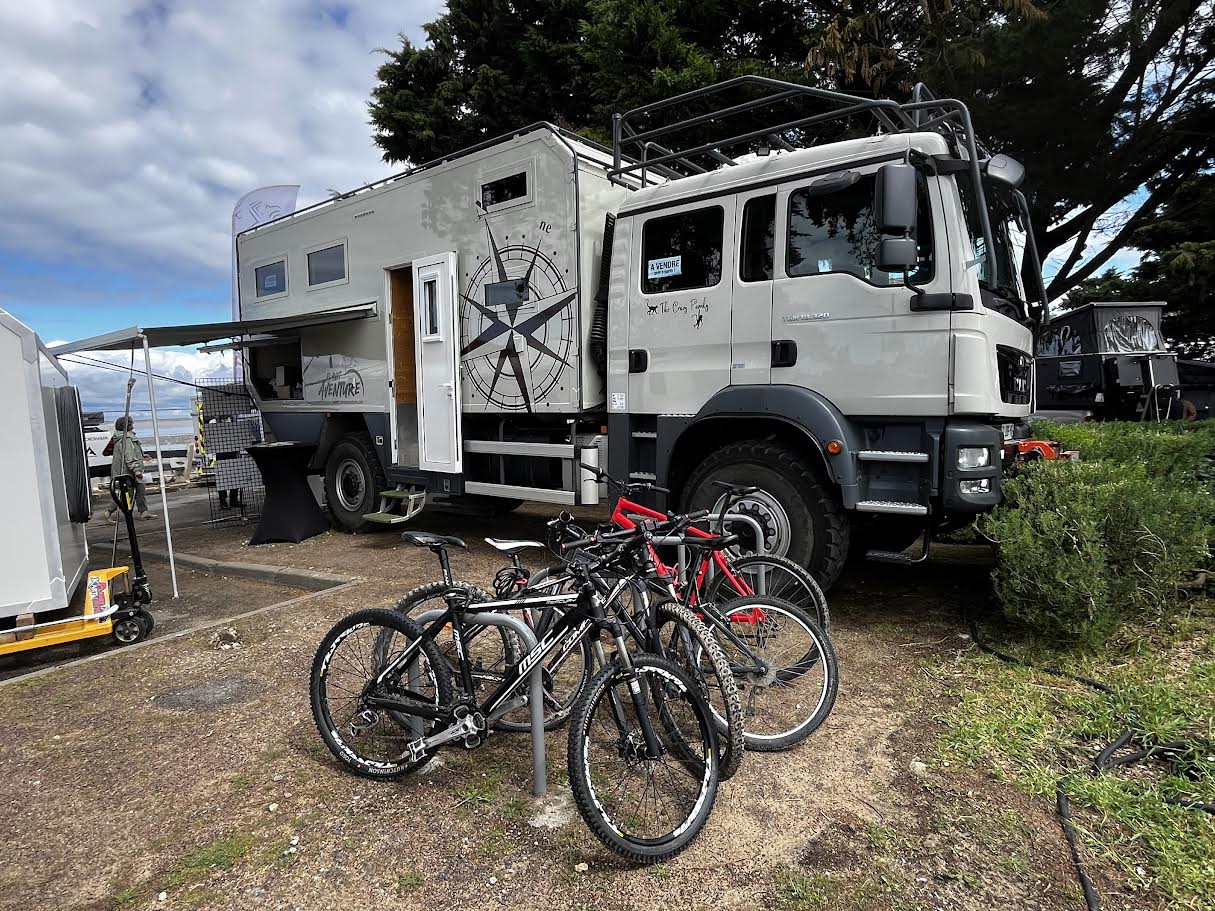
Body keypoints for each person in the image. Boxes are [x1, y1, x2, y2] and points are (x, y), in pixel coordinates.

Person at [105, 416, 155, 521]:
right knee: (127, 494)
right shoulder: (126, 438)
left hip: (128, 470)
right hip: (127, 472)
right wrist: (136, 470)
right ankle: (109, 511)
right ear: (127, 425)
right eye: (131, 423)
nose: (133, 425)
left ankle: (144, 511)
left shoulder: (122, 437)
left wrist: (141, 455)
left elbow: (130, 453)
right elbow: (129, 456)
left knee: (140, 490)